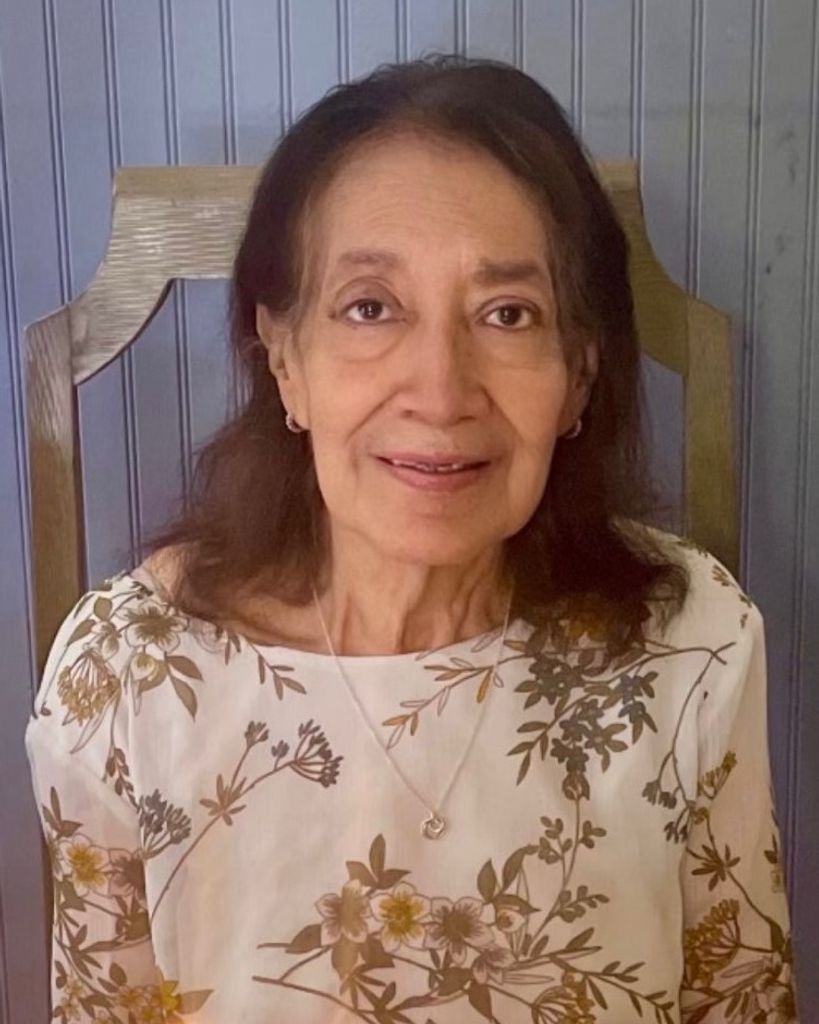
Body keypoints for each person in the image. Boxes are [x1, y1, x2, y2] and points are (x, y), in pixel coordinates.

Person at [26, 55, 796, 1023]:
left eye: (507, 314)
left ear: (579, 375)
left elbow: (739, 1000)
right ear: (286, 360)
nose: (440, 391)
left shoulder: (691, 647)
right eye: (370, 307)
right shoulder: (126, 682)